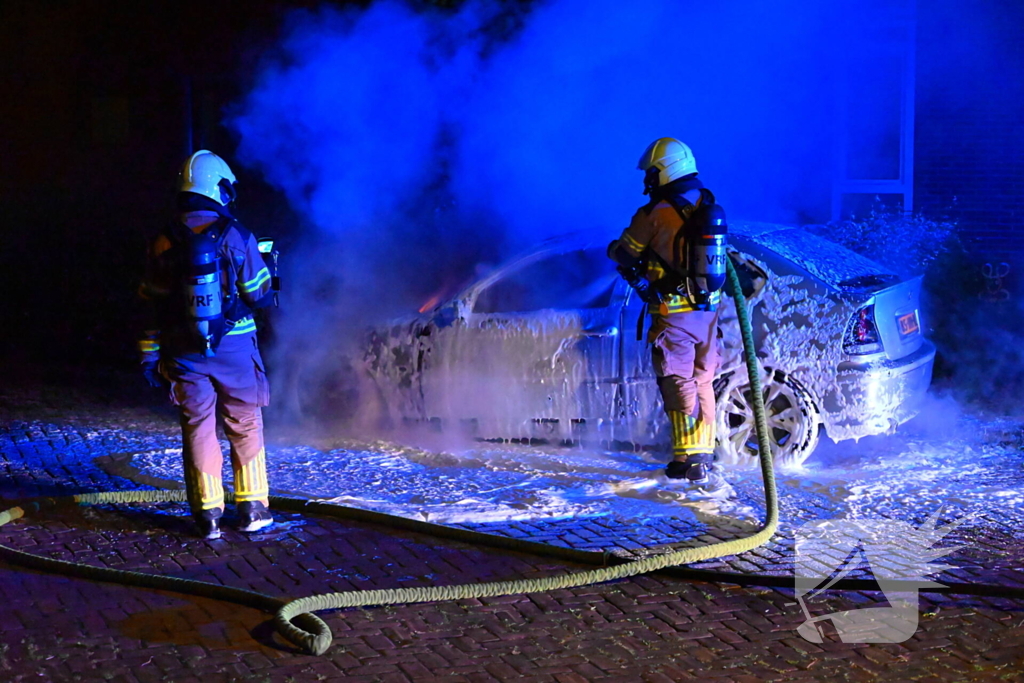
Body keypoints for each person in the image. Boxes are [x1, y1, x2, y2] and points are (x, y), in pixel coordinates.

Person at [138, 150, 276, 538]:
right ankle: (252, 510)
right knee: (244, 423)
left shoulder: (162, 241)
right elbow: (259, 293)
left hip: (183, 351)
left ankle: (208, 515)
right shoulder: (237, 235)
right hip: (234, 349)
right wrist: (271, 271)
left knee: (198, 426)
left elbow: (150, 305)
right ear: (220, 188)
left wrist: (148, 357)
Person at [607, 138, 723, 485]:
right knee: (703, 379)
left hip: (674, 315)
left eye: (651, 173)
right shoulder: (706, 203)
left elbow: (625, 253)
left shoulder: (654, 214)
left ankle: (687, 459)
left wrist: (617, 249)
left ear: (665, 170)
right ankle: (704, 452)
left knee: (677, 380)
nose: (648, 181)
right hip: (708, 313)